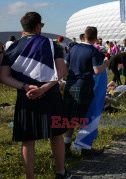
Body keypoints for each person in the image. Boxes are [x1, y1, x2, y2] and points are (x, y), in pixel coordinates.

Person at [0, 12, 72, 179]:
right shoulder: (52, 45)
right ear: (38, 26)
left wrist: (25, 87)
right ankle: (61, 172)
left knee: (28, 140)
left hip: (26, 96)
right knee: (56, 135)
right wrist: (44, 88)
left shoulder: (13, 47)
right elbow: (62, 71)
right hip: (51, 94)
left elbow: (3, 76)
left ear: (23, 27)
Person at [63, 26, 110, 157]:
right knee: (87, 117)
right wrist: (105, 65)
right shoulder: (93, 51)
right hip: (84, 86)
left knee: (71, 117)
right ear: (96, 38)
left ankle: (66, 146)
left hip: (70, 84)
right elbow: (96, 71)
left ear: (83, 36)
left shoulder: (73, 48)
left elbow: (66, 66)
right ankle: (85, 148)